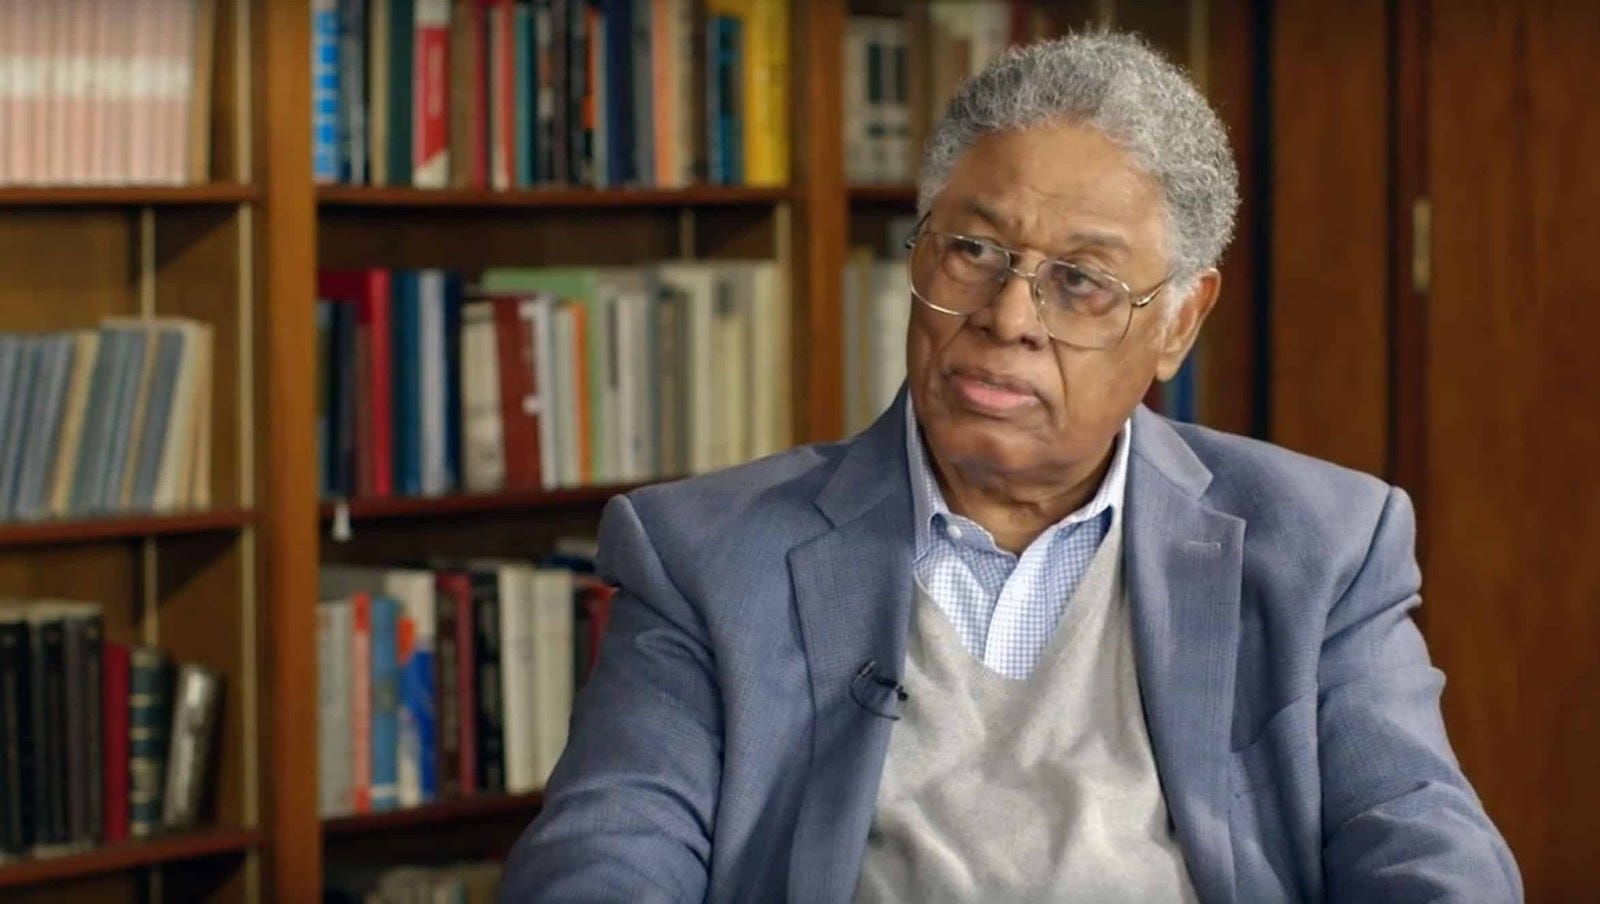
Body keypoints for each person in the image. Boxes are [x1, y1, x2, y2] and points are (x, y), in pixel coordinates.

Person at [501, 31, 1520, 903]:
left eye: (1080, 280)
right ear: (918, 252)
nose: (1008, 318)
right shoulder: (704, 557)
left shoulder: (1324, 546)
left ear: (1179, 321)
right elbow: (602, 862)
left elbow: (1433, 859)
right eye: (974, 252)